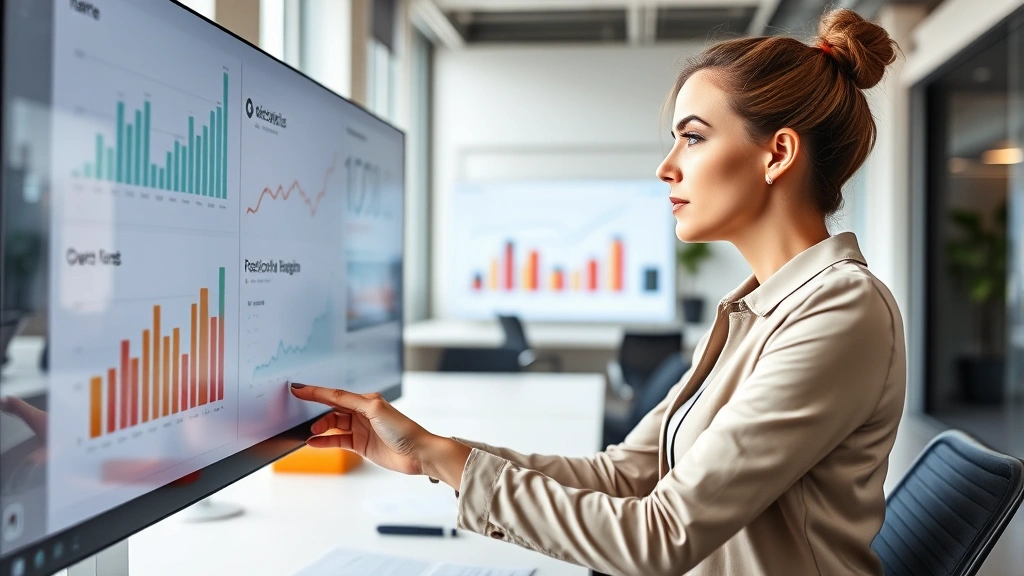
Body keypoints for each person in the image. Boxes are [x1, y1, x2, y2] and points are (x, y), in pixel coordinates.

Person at [290, 8, 906, 576]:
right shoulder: (755, 312)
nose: (666, 166)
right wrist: (432, 454)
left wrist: (449, 463)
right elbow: (627, 475)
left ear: (777, 154)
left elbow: (659, 537)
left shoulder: (840, 311)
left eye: (692, 137)